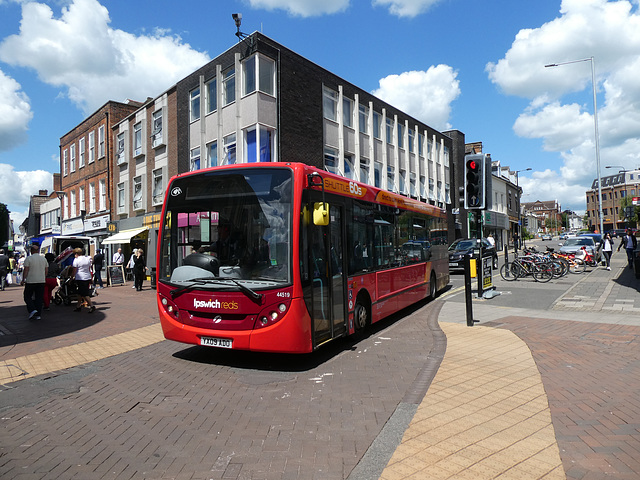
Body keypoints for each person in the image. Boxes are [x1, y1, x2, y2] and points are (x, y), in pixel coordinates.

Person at [21, 244, 48, 320]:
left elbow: (26, 270)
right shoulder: (43, 259)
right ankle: (38, 314)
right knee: (39, 298)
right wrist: (43, 277)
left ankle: (32, 309)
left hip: (31, 280)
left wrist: (23, 279)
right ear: (38, 251)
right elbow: (46, 270)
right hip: (41, 281)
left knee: (27, 296)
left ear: (31, 251)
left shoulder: (29, 259)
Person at [71, 248, 95, 313]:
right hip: (87, 276)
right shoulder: (87, 259)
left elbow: (74, 270)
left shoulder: (76, 260)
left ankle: (92, 305)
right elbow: (90, 267)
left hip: (80, 277)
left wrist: (71, 277)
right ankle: (78, 306)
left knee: (84, 293)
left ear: (76, 254)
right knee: (80, 292)